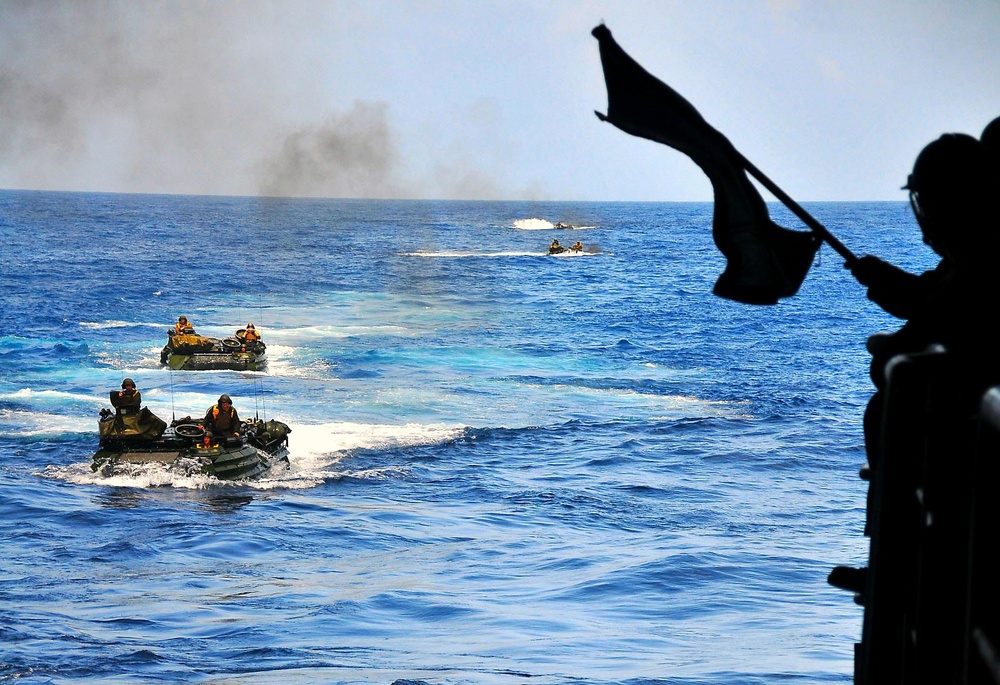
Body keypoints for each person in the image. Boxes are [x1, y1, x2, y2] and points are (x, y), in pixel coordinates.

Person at [830, 132, 998, 594]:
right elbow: (928, 297)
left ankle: (895, 560)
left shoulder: (982, 265)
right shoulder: (975, 259)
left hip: (965, 464)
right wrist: (881, 278)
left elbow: (930, 317)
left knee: (885, 408)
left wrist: (887, 351)